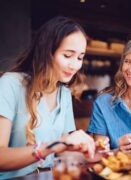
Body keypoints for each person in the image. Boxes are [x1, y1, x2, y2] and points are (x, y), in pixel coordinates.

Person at [0, 16, 95, 179]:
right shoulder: (10, 84)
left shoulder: (64, 93)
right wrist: (49, 147)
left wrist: (93, 154)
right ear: (46, 51)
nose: (74, 65)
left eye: (80, 57)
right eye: (67, 55)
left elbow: (63, 154)